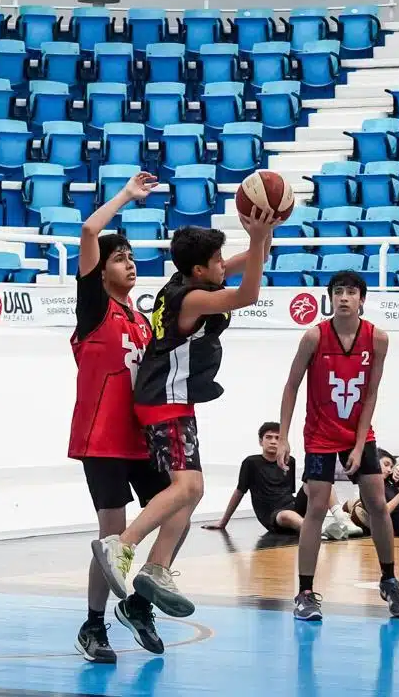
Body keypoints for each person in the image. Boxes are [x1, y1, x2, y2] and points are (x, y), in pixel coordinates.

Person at [92, 207, 279, 620]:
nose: (222, 266)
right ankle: (122, 545)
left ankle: (156, 569)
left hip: (173, 399)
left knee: (187, 497)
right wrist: (256, 239)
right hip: (164, 400)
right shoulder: (191, 297)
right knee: (189, 487)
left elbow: (251, 261)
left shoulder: (190, 279)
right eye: (217, 262)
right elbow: (248, 295)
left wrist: (262, 234)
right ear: (199, 269)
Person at [69, 172, 170, 663]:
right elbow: (89, 233)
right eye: (119, 258)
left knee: (179, 509)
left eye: (131, 258)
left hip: (142, 437)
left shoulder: (140, 317)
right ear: (101, 269)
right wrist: (127, 197)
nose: (129, 264)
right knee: (112, 538)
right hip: (102, 438)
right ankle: (93, 626)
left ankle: (140, 603)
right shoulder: (93, 307)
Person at [275, 270, 399, 622]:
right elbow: (290, 386)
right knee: (316, 509)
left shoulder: (377, 338)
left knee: (378, 504)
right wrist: (285, 437)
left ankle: (390, 580)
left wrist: (357, 442)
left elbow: (371, 393)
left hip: (358, 433)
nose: (344, 297)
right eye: (338, 291)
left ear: (362, 299)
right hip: (320, 433)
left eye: (351, 292)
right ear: (330, 297)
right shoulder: (313, 336)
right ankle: (305, 592)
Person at [203, 422, 362, 539]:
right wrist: (223, 521)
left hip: (292, 506)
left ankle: (341, 518)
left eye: (278, 438)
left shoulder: (289, 461)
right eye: (269, 437)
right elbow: (239, 492)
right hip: (273, 515)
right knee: (287, 516)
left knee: (319, 482)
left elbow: (290, 492)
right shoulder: (251, 463)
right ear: (261, 441)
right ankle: (322, 532)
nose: (273, 441)